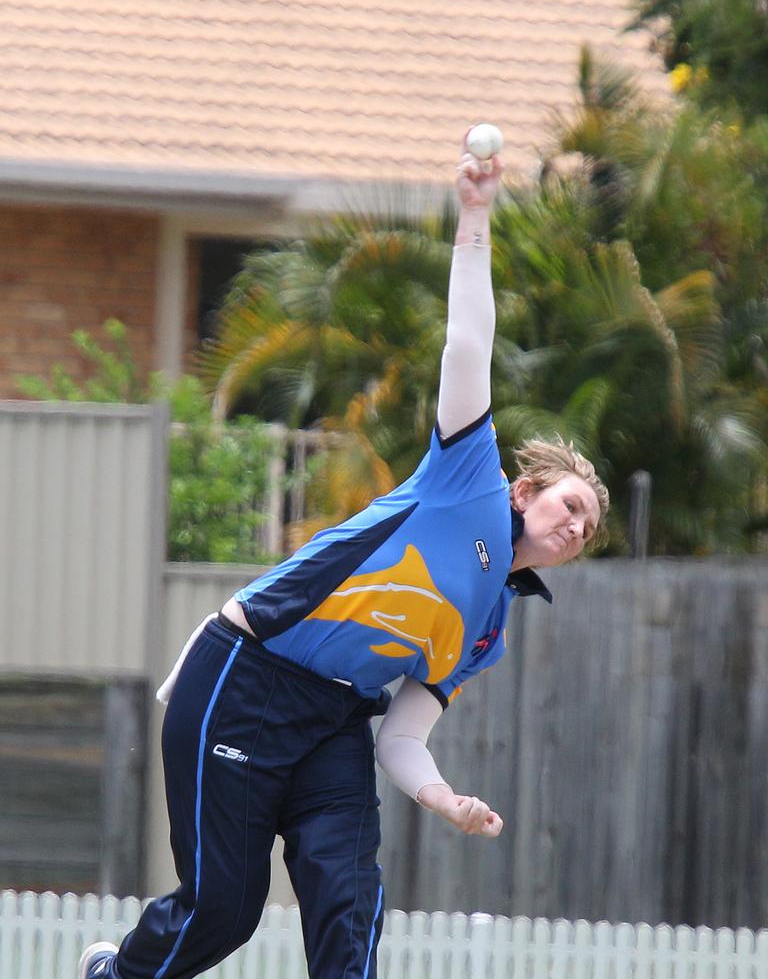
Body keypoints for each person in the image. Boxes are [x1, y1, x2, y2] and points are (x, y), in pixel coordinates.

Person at [79, 134, 609, 979]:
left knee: (348, 899)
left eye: (588, 531)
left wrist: (444, 799)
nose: (578, 527)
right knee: (224, 910)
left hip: (335, 718)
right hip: (245, 674)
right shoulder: (467, 475)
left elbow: (403, 737)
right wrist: (475, 218)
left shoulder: (487, 630)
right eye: (572, 506)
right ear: (525, 492)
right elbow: (467, 344)